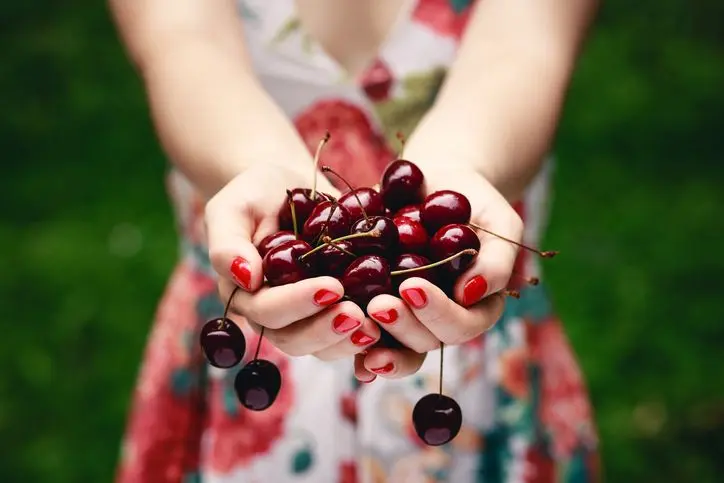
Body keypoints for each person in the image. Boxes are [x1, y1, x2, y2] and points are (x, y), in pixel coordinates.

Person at [110, 0, 601, 481]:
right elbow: (186, 46)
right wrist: (256, 163)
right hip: (245, 333)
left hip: (475, 354)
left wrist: (464, 164)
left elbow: (523, 46)